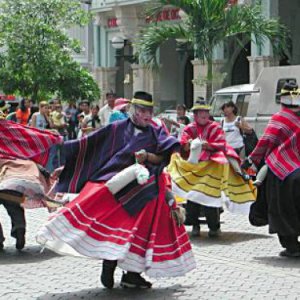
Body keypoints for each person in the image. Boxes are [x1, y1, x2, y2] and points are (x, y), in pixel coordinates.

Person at [36, 91, 196, 289]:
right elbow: (89, 145)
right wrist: (61, 152)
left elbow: (165, 154)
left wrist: (147, 156)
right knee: (115, 223)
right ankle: (109, 263)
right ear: (133, 111)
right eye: (143, 111)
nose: (147, 115)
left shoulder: (156, 132)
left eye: (150, 111)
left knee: (141, 231)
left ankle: (132, 274)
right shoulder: (116, 128)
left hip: (146, 190)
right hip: (115, 183)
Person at [168, 99, 256, 237]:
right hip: (194, 169)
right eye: (200, 112)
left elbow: (221, 144)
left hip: (212, 167)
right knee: (193, 198)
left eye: (206, 112)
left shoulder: (215, 127)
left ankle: (214, 227)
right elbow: (183, 144)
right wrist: (190, 144)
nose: (204, 115)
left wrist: (205, 145)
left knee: (211, 199)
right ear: (195, 115)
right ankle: (195, 225)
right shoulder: (189, 128)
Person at [244, 82, 300, 257]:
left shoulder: (278, 118)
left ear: (281, 100)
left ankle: (291, 246)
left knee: (280, 208)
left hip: (282, 169)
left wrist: (251, 159)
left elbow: (266, 142)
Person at [0, 119, 62, 250]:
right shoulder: (10, 128)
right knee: (13, 201)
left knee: (10, 197)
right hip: (21, 172)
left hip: (6, 171)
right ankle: (19, 227)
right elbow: (30, 134)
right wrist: (50, 136)